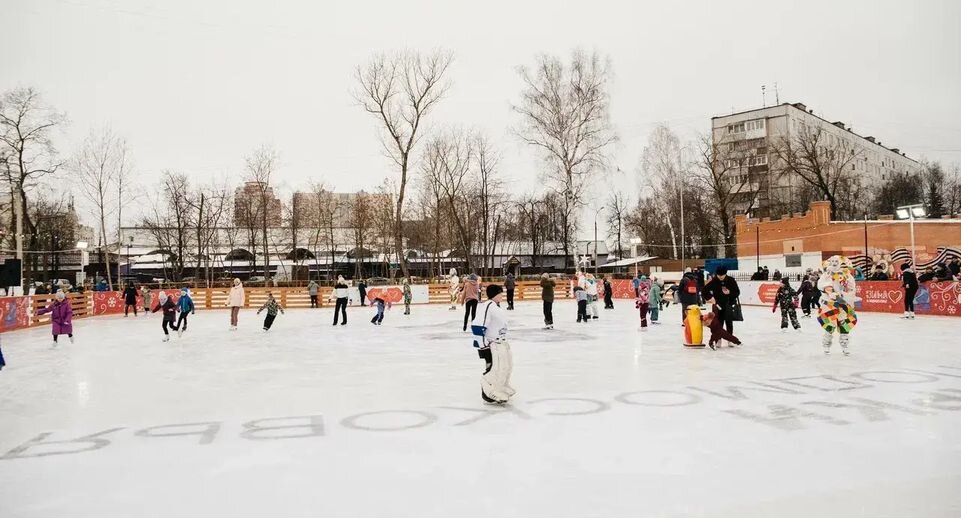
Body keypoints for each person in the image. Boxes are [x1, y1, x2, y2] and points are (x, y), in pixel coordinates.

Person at [472, 284, 513, 404]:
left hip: (501, 342)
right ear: (495, 294)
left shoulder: (496, 307)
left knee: (505, 367)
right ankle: (489, 391)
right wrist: (483, 346)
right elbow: (477, 325)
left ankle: (501, 387)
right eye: (500, 293)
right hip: (491, 344)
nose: (502, 295)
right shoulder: (488, 306)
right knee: (495, 369)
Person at [817, 256, 857, 355]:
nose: (834, 263)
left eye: (836, 261)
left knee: (845, 325)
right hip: (830, 304)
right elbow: (821, 285)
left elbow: (852, 286)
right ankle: (826, 345)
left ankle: (845, 346)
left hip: (843, 303)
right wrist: (829, 291)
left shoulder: (846, 274)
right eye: (833, 261)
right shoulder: (827, 274)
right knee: (829, 326)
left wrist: (846, 294)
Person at [700, 266, 741, 344]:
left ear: (725, 274)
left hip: (729, 304)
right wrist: (710, 298)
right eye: (719, 275)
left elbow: (737, 292)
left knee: (729, 322)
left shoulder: (731, 280)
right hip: (718, 305)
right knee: (718, 323)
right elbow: (704, 291)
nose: (720, 277)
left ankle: (730, 339)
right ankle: (718, 339)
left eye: (722, 275)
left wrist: (730, 293)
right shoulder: (714, 280)